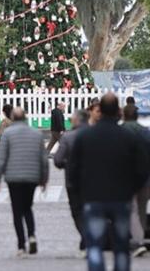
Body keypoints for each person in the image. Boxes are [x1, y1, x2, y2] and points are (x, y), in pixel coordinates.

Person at [69, 93, 150, 271]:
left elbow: (72, 169)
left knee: (95, 245)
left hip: (93, 197)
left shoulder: (85, 136)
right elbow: (143, 168)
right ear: (118, 112)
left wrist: (80, 191)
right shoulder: (128, 137)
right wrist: (132, 188)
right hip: (121, 197)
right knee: (121, 246)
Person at [0, 107, 49, 257]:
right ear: (25, 118)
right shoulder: (36, 134)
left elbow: (1, 159)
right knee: (28, 208)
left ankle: (21, 245)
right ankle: (32, 235)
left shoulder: (7, 134)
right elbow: (43, 159)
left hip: (14, 177)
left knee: (17, 211)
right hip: (31, 177)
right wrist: (44, 179)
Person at [122, 105, 150, 258]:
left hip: (126, 178)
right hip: (148, 179)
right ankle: (139, 238)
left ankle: (137, 241)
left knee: (131, 209)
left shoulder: (120, 133)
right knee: (141, 210)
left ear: (124, 116)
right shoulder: (148, 133)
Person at [54, 108, 90, 257]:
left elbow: (57, 160)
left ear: (77, 120)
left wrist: (66, 164)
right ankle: (87, 240)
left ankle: (86, 239)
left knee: (77, 211)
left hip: (73, 180)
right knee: (91, 211)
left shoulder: (68, 137)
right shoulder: (93, 134)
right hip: (92, 179)